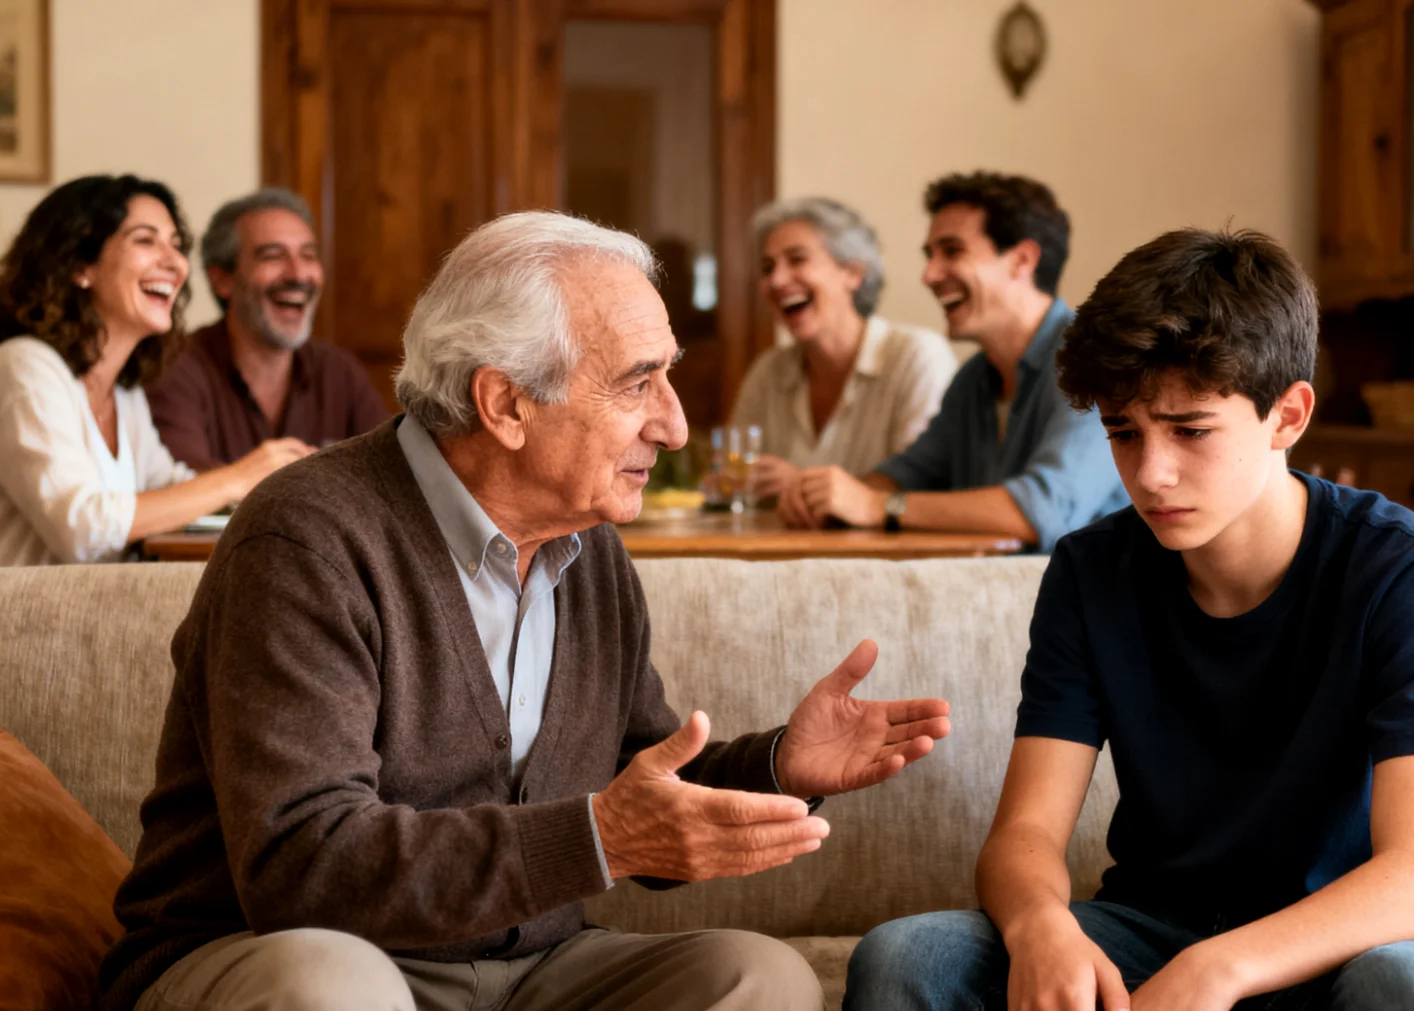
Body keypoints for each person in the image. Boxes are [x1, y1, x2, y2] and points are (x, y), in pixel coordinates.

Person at [98, 211, 953, 1011]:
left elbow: (632, 783)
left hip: (525, 969)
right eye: (638, 383)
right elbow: (302, 866)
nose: (676, 425)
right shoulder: (308, 537)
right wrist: (600, 840)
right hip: (281, 948)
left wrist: (776, 766)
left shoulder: (589, 546)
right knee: (333, 984)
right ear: (505, 402)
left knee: (758, 978)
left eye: (669, 378)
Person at [842, 228, 1414, 1011]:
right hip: (1158, 922)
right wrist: (1041, 924)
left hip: (1357, 939)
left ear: (1287, 415)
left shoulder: (1405, 569)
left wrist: (1218, 968)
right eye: (1124, 432)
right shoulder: (1091, 572)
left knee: (1413, 989)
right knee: (907, 957)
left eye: (1190, 430)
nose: (1150, 474)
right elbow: (1023, 836)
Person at [0, 175, 310, 570]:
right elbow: (82, 529)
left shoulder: (122, 392)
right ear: (81, 265)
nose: (176, 263)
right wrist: (237, 478)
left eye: (175, 245)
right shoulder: (22, 369)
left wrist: (270, 482)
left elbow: (167, 486)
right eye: (145, 240)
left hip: (51, 616)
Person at [781, 172, 1125, 551]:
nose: (929, 275)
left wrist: (876, 505)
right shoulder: (974, 377)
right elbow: (909, 473)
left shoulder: (1094, 358)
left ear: (1022, 260)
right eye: (930, 256)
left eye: (952, 251)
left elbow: (1044, 509)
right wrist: (828, 498)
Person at [146, 187, 390, 470]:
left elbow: (390, 477)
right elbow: (185, 489)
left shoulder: (339, 373)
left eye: (309, 255)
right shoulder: (175, 368)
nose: (298, 274)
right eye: (273, 256)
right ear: (222, 280)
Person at [732, 197, 957, 498]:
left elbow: (922, 486)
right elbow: (735, 477)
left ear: (853, 273)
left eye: (797, 260)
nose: (777, 279)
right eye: (767, 267)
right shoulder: (768, 372)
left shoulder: (917, 356)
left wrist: (799, 486)